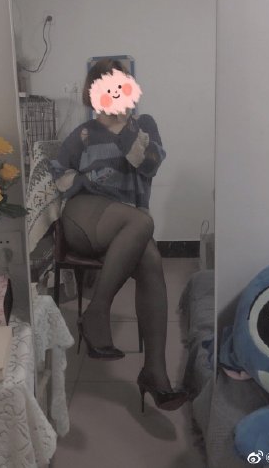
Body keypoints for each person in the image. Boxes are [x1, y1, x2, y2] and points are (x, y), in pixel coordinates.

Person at [51, 58, 187, 411]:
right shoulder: (82, 134)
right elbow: (58, 172)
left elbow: (150, 164)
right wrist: (83, 181)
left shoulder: (143, 126)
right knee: (142, 225)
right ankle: (99, 314)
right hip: (85, 217)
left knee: (149, 253)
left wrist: (122, 126)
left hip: (127, 226)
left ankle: (154, 372)